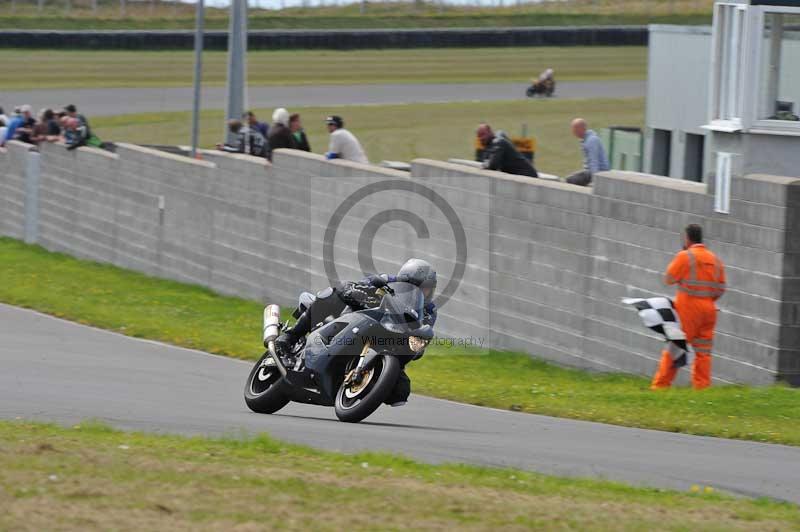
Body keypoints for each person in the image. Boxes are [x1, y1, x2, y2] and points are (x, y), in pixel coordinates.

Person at [276, 258, 438, 407]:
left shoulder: (429, 311)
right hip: (360, 319)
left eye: (429, 288)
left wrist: (418, 345)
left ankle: (358, 385)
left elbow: (421, 330)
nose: (425, 291)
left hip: (390, 342)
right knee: (333, 294)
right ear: (405, 281)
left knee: (401, 392)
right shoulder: (387, 281)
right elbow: (359, 284)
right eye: (422, 287)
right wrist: (359, 292)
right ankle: (290, 336)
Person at [651, 224, 726, 390]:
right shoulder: (716, 260)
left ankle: (660, 386)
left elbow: (669, 279)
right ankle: (701, 387)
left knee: (675, 346)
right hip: (709, 310)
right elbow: (721, 288)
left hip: (689, 309)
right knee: (703, 351)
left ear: (687, 238)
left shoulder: (685, 256)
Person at [566, 118, 609, 186]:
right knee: (571, 177)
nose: (573, 132)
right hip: (590, 172)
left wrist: (596, 181)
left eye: (574, 129)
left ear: (581, 129)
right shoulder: (586, 139)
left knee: (570, 180)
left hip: (599, 172)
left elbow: (593, 161)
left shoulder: (591, 141)